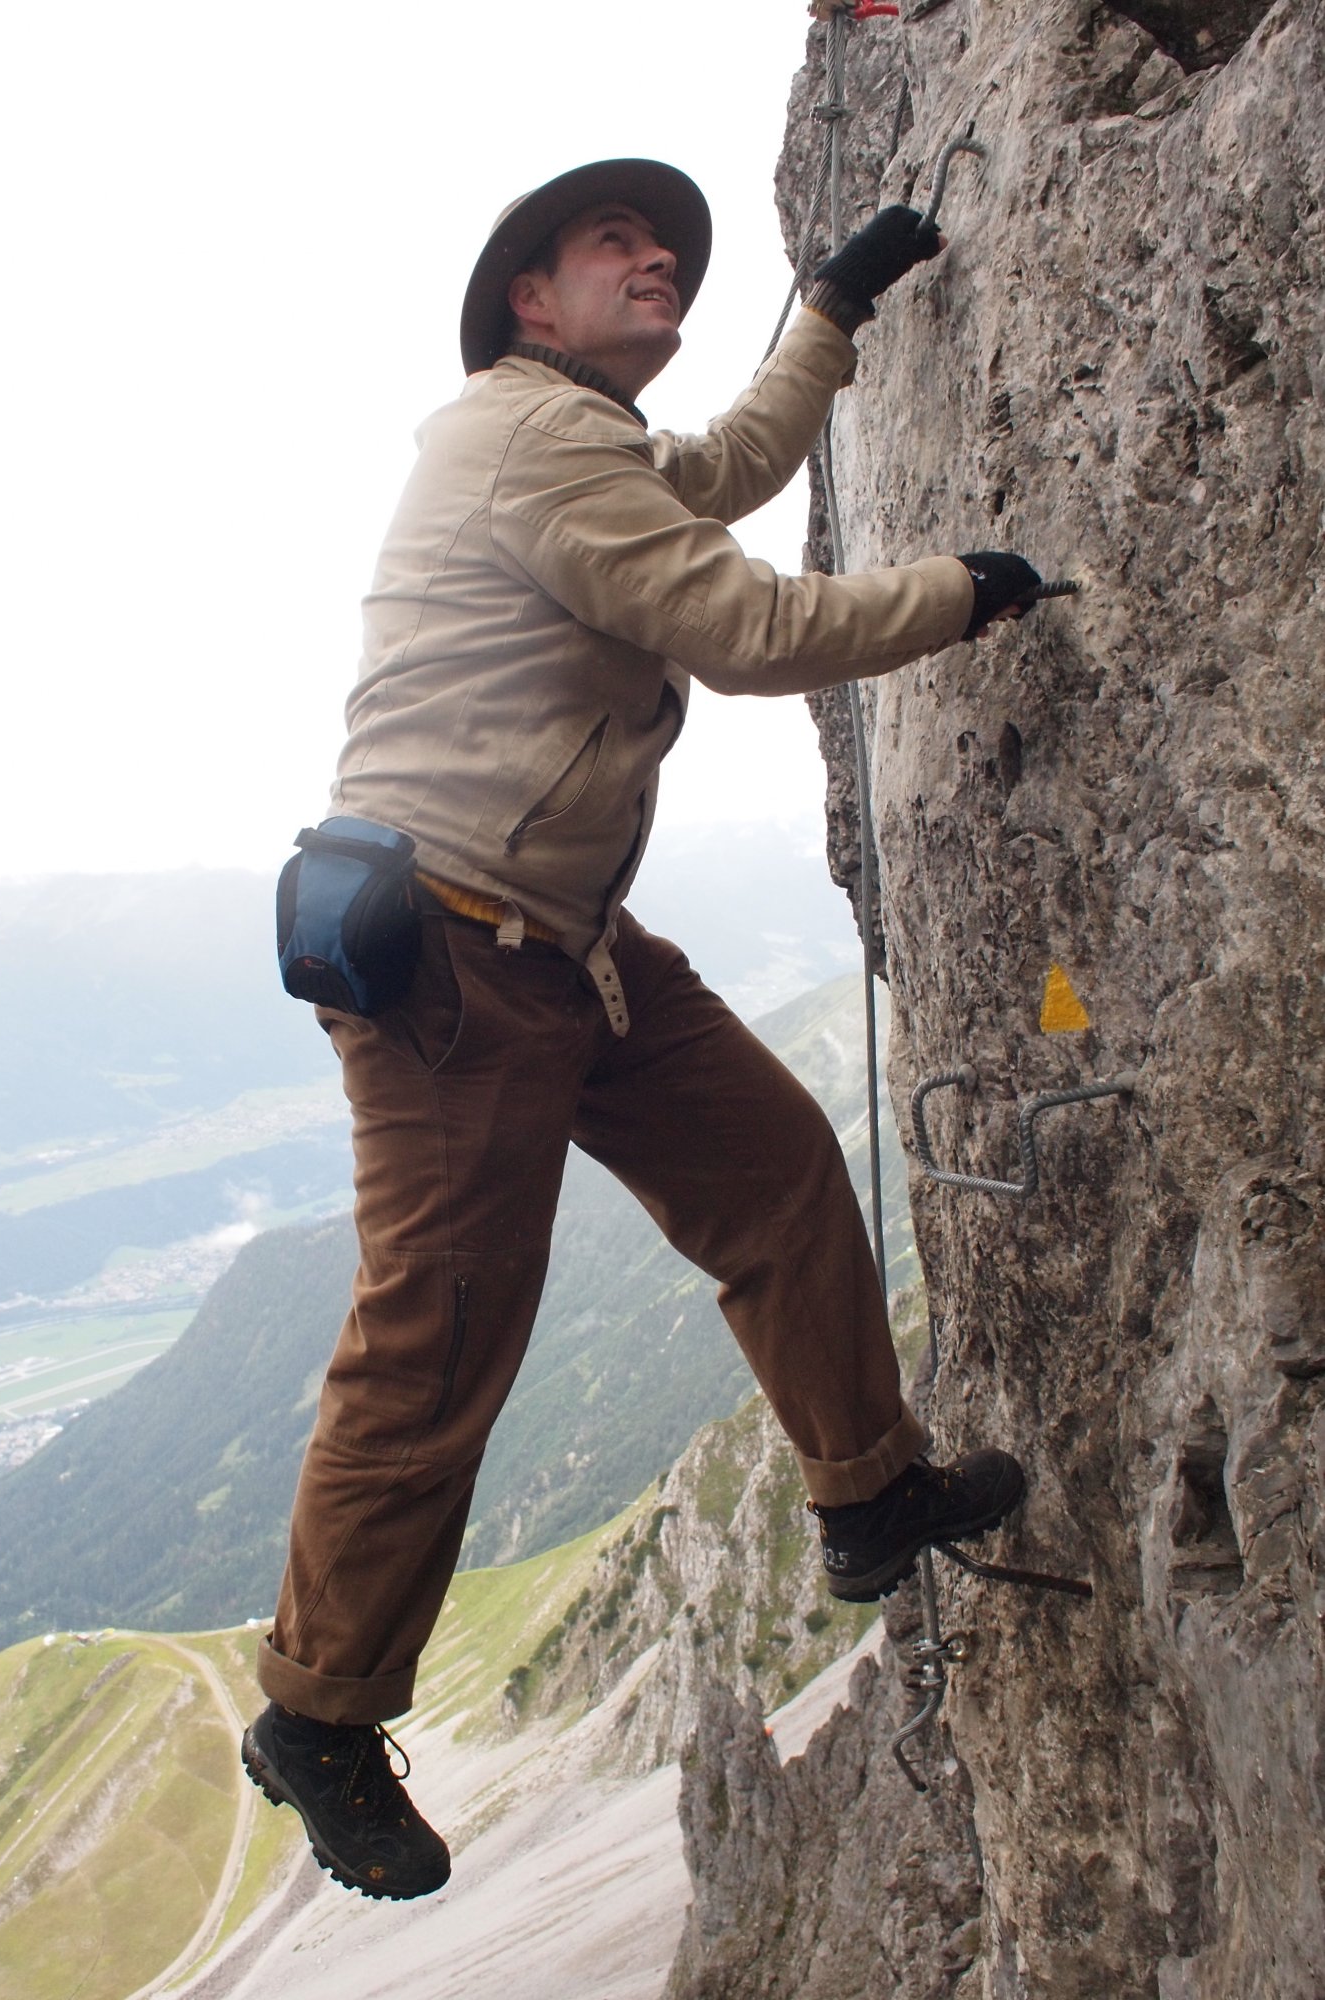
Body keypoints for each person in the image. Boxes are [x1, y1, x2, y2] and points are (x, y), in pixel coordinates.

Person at [242, 158, 1040, 1902]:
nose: (657, 254)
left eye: (666, 243)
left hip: (563, 940)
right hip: (458, 953)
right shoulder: (527, 440)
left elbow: (734, 471)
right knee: (440, 1332)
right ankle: (314, 1711)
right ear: (532, 299)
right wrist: (963, 593)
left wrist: (827, 308)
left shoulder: (582, 438)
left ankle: (867, 1490)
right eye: (618, 242)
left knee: (769, 1168)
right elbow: (744, 625)